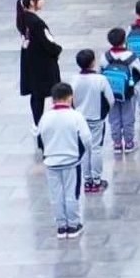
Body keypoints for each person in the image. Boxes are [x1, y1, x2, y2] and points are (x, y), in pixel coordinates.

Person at [37, 83, 91, 238]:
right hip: (71, 160)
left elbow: (39, 138)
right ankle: (73, 225)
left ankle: (61, 225)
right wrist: (82, 152)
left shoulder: (45, 117)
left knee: (56, 194)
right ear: (70, 97)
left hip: (51, 161)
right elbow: (86, 139)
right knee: (71, 193)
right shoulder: (75, 116)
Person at [16, 0, 62, 128]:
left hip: (30, 60)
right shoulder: (36, 23)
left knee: (36, 94)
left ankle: (38, 123)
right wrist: (57, 49)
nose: (43, 1)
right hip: (42, 63)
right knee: (49, 91)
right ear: (32, 2)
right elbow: (48, 42)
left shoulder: (23, 18)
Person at [71, 50, 113, 193]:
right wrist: (103, 113)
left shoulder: (74, 79)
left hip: (80, 119)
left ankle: (87, 180)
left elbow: (70, 100)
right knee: (95, 149)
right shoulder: (100, 79)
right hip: (96, 118)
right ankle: (96, 180)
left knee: (84, 150)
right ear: (93, 62)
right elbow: (110, 99)